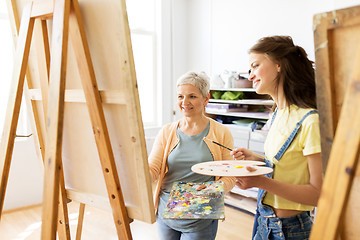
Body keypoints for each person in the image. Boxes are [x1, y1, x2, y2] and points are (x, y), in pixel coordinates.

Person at [231, 36, 323, 240]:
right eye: (249, 69)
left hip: (291, 231)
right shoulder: (278, 114)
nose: (251, 75)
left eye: (255, 66)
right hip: (264, 222)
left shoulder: (310, 121)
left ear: (279, 65)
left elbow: (317, 193)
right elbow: (290, 168)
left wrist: (260, 182)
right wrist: (257, 159)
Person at [148, 71, 236, 240]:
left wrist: (212, 189)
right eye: (180, 96)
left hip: (202, 215)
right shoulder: (167, 131)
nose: (185, 102)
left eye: (192, 96)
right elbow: (153, 169)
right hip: (166, 213)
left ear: (206, 98)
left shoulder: (221, 132)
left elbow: (230, 176)